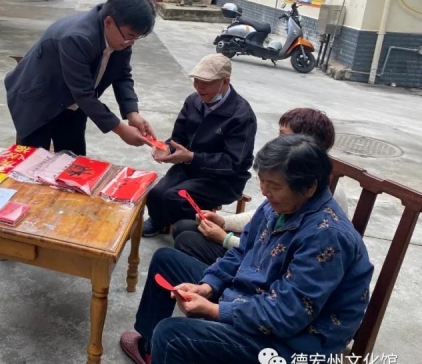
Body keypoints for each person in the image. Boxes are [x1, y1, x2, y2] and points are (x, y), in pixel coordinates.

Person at [120, 134, 373, 364]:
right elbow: (242, 252)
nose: (265, 192)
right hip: (255, 296)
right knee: (165, 260)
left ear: (309, 187)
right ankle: (150, 351)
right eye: (263, 182)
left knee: (172, 335)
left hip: (296, 341)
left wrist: (214, 310)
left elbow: (287, 315)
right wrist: (208, 286)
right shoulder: (279, 205)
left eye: (274, 186)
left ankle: (165, 349)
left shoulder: (326, 236)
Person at [173, 107, 348, 265]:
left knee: (185, 241)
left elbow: (276, 254)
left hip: (265, 260)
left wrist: (226, 239)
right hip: (260, 250)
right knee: (184, 227)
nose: (264, 192)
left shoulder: (320, 200)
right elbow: (264, 214)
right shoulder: (287, 180)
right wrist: (224, 222)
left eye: (283, 136)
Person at [4, 0, 157, 156]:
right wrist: (120, 129)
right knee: (32, 160)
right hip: (38, 100)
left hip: (72, 103)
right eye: (130, 36)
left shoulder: (121, 39)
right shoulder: (78, 38)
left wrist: (132, 113)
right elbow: (83, 92)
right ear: (108, 22)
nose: (131, 42)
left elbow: (122, 75)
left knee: (73, 160)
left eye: (136, 37)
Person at [142, 54, 257, 237]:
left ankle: (191, 230)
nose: (199, 87)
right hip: (190, 167)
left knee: (176, 197)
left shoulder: (241, 116)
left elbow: (232, 163)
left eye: (206, 83)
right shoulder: (193, 101)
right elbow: (178, 138)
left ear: (225, 81)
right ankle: (159, 221)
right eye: (196, 80)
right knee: (155, 193)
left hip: (223, 179)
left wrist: (191, 157)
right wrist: (166, 148)